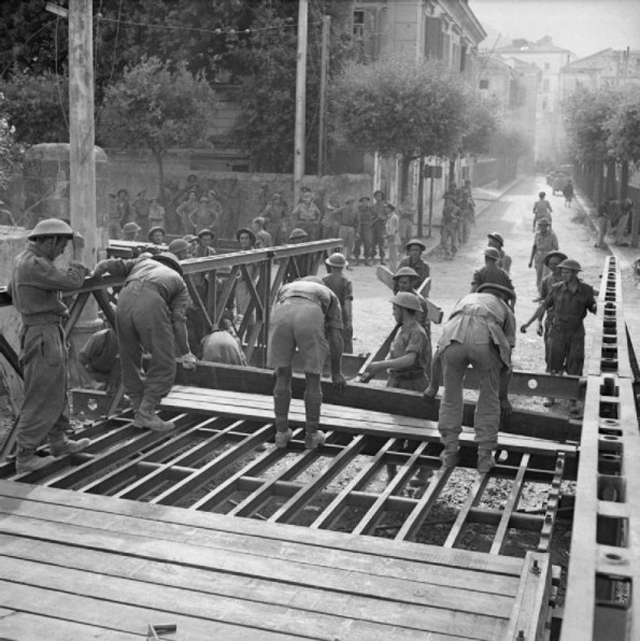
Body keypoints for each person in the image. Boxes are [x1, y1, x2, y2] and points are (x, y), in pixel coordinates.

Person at [8, 218, 91, 472]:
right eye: (61, 246)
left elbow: (12, 291)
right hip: (43, 333)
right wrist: (79, 253)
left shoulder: (26, 261)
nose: (61, 252)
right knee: (42, 392)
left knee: (57, 387)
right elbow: (72, 282)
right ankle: (25, 455)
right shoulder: (34, 264)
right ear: (50, 241)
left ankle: (58, 440)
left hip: (46, 330)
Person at [90, 251, 196, 431]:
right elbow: (178, 323)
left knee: (129, 358)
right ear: (176, 267)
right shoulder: (179, 281)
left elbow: (110, 264)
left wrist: (96, 274)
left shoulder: (141, 262)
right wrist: (186, 353)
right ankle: (147, 413)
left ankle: (139, 409)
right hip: (151, 302)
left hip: (124, 300)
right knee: (164, 362)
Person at [424, 283, 516, 473]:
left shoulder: (464, 300)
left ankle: (449, 451)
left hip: (454, 335)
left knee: (450, 394)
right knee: (489, 397)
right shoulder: (504, 308)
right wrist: (503, 397)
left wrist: (432, 386)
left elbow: (438, 355)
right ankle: (484, 456)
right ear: (503, 297)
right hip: (484, 334)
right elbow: (507, 362)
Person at [268, 275, 346, 449]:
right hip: (310, 313)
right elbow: (335, 337)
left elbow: (275, 317)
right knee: (312, 376)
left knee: (283, 374)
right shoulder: (328, 294)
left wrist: (278, 365)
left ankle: (281, 433)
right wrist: (336, 372)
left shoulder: (287, 287)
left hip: (282, 311)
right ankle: (311, 435)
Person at [520, 258, 596, 416]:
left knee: (575, 364)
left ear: (575, 273)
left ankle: (572, 400)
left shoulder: (586, 290)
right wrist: (528, 323)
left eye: (567, 272)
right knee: (554, 363)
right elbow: (543, 307)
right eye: (562, 272)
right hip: (558, 331)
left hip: (576, 333)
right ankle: (551, 396)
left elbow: (593, 307)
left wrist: (600, 307)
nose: (563, 274)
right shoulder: (556, 288)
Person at [364, 291, 430, 392]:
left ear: (403, 309)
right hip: (395, 382)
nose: (393, 312)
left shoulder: (417, 332)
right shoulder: (402, 329)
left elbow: (409, 359)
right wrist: (372, 373)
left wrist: (381, 364)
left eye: (395, 309)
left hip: (412, 385)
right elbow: (393, 357)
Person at [322, 253, 354, 354]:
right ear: (343, 267)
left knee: (327, 341)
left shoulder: (324, 280)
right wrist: (349, 321)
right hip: (341, 317)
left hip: (327, 316)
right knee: (345, 342)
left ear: (330, 266)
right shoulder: (346, 281)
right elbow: (347, 303)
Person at [79, 324, 120, 391]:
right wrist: (94, 384)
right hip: (96, 376)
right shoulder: (99, 339)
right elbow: (79, 363)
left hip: (115, 378)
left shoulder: (129, 341)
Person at [235, 227, 258, 337]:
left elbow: (246, 274)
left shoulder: (252, 254)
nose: (243, 241)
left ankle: (249, 337)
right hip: (239, 286)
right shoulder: (240, 253)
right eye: (241, 238)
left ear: (250, 240)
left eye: (246, 238)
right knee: (240, 312)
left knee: (247, 313)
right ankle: (243, 336)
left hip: (247, 286)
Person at [528, 218, 559, 292]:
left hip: (548, 258)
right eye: (541, 226)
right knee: (538, 276)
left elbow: (556, 248)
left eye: (545, 226)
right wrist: (530, 261)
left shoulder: (552, 235)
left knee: (546, 276)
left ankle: (545, 293)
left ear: (548, 226)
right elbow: (534, 247)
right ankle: (540, 292)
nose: (543, 227)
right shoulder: (537, 234)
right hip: (538, 257)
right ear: (539, 226)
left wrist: (554, 260)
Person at [333, 196, 360, 264]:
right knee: (341, 244)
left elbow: (358, 222)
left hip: (351, 228)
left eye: (352, 202)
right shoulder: (343, 209)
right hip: (343, 227)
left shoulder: (355, 210)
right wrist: (339, 220)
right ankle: (338, 260)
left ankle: (349, 262)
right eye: (349, 202)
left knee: (350, 246)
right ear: (347, 203)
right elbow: (334, 213)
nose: (351, 204)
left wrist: (357, 232)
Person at [354, 196, 374, 266]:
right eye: (363, 201)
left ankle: (366, 260)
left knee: (367, 244)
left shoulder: (370, 209)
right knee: (357, 244)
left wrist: (371, 223)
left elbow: (375, 217)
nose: (365, 202)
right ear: (361, 202)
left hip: (367, 229)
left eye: (366, 201)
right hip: (359, 228)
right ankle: (356, 260)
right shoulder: (357, 209)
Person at [440, 195, 460, 260]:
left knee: (454, 242)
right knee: (444, 240)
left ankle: (453, 254)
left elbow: (461, 218)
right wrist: (442, 223)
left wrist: (454, 216)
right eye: (447, 201)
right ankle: (447, 252)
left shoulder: (457, 209)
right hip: (446, 225)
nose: (448, 203)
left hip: (454, 226)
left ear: (453, 202)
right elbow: (443, 217)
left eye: (449, 201)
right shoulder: (445, 209)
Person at [371, 190, 387, 265]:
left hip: (381, 226)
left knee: (381, 243)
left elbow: (388, 216)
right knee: (373, 243)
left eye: (379, 196)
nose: (378, 198)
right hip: (373, 226)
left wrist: (383, 217)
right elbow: (370, 216)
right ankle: (372, 258)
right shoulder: (373, 206)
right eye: (377, 196)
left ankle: (382, 258)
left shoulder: (385, 206)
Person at [384, 202, 400, 273]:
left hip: (393, 238)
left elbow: (392, 231)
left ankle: (393, 272)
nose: (385, 209)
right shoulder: (390, 217)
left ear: (390, 209)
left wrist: (387, 236)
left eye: (387, 208)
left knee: (393, 257)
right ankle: (392, 270)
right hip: (391, 238)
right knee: (391, 256)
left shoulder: (393, 217)